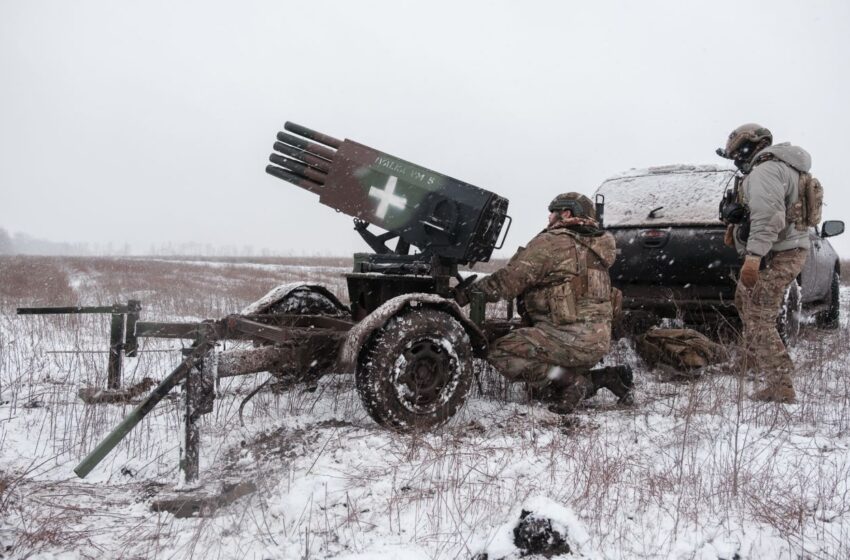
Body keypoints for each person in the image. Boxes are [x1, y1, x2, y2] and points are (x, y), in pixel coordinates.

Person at [453, 192, 631, 413]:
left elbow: (508, 282)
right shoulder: (599, 247)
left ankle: (573, 382)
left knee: (499, 351)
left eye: (552, 213)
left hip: (567, 339)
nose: (549, 218)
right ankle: (604, 377)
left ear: (566, 213)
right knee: (542, 391)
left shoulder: (552, 243)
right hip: (596, 343)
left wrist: (467, 293)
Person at [717, 123, 811, 403]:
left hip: (778, 253)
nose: (736, 160)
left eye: (737, 154)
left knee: (758, 315)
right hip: (783, 249)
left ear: (749, 146)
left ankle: (781, 384)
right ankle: (752, 360)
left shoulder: (767, 170)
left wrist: (753, 257)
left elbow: (769, 218)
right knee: (744, 299)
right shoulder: (785, 166)